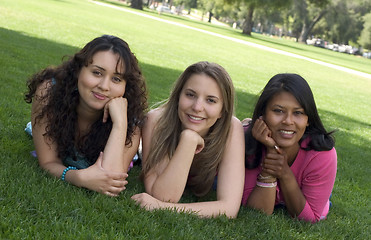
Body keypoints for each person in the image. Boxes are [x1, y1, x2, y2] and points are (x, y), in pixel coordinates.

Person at [24, 35, 147, 197]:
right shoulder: (49, 93)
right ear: (78, 71)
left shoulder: (130, 122)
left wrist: (120, 124)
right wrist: (79, 177)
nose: (104, 86)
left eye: (116, 79)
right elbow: (48, 162)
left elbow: (110, 182)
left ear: (126, 86)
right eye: (97, 72)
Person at [131, 61, 245, 218]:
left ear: (222, 111)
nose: (197, 107)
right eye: (190, 95)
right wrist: (188, 140)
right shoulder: (156, 121)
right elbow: (163, 195)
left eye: (211, 100)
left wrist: (163, 208)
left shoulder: (231, 128)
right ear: (178, 96)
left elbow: (229, 208)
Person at [242, 73, 337, 223]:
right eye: (278, 111)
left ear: (308, 120)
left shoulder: (322, 153)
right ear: (263, 113)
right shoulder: (247, 140)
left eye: (298, 113)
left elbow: (310, 218)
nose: (288, 121)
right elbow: (256, 209)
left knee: (319, 198)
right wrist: (272, 150)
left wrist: (284, 172)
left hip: (302, 186)